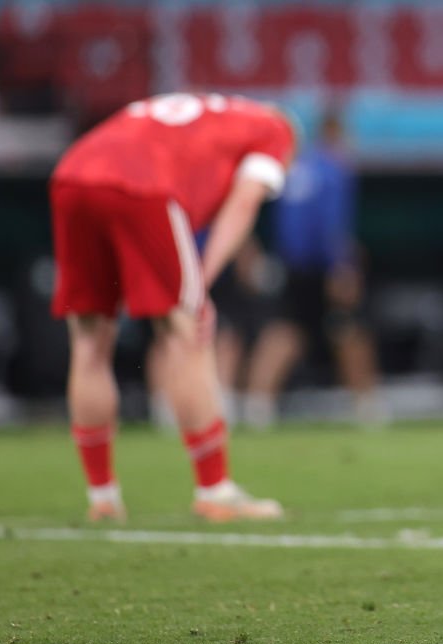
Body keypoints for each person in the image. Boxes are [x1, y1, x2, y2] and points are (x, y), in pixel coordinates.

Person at [51, 92, 297, 522]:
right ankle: (215, 490)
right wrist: (203, 281)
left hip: (71, 176)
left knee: (89, 341)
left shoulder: (206, 111)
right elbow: (244, 203)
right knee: (189, 332)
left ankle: (103, 497)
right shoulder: (276, 129)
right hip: (141, 186)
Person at [240, 111, 383, 427]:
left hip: (292, 265)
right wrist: (342, 267)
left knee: (284, 330)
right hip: (324, 266)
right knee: (348, 329)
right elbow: (334, 223)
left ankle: (256, 405)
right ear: (336, 134)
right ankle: (366, 405)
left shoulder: (293, 168)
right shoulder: (334, 168)